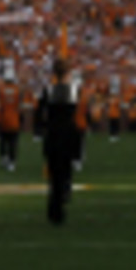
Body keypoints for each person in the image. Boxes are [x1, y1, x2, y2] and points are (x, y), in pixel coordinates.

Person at [43, 58, 78, 226]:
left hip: (52, 134)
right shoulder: (73, 90)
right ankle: (63, 197)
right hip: (68, 135)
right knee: (65, 171)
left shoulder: (48, 89)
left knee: (55, 175)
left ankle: (54, 210)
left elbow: (40, 113)